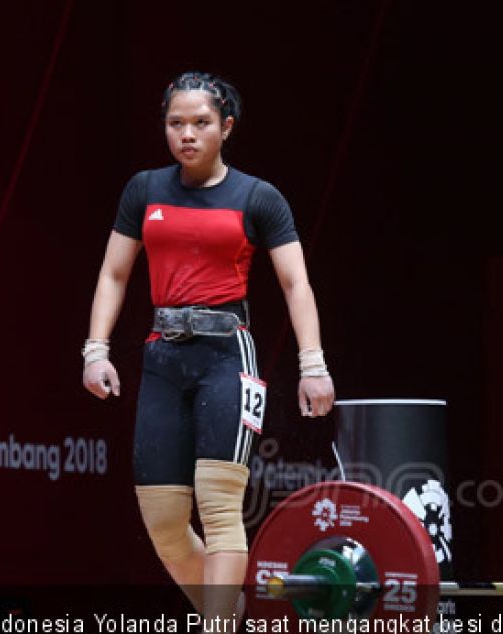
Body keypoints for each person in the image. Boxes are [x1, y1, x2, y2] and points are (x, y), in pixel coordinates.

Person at [80, 72, 335, 619]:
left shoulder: (258, 197)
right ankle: (231, 617)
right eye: (175, 123)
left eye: (200, 123)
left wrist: (312, 365)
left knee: (219, 508)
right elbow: (114, 275)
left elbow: (296, 284)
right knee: (165, 523)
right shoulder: (144, 189)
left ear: (227, 128)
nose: (186, 135)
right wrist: (95, 350)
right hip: (162, 357)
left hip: (227, 357)